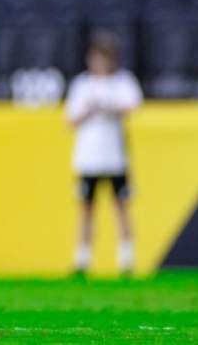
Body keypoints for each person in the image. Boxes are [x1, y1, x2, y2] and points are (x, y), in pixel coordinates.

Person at [65, 31, 143, 274]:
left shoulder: (122, 82)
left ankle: (126, 260)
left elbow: (133, 105)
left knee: (121, 206)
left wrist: (109, 106)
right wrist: (89, 110)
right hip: (88, 158)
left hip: (115, 157)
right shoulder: (82, 85)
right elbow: (70, 120)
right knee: (86, 209)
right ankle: (82, 260)